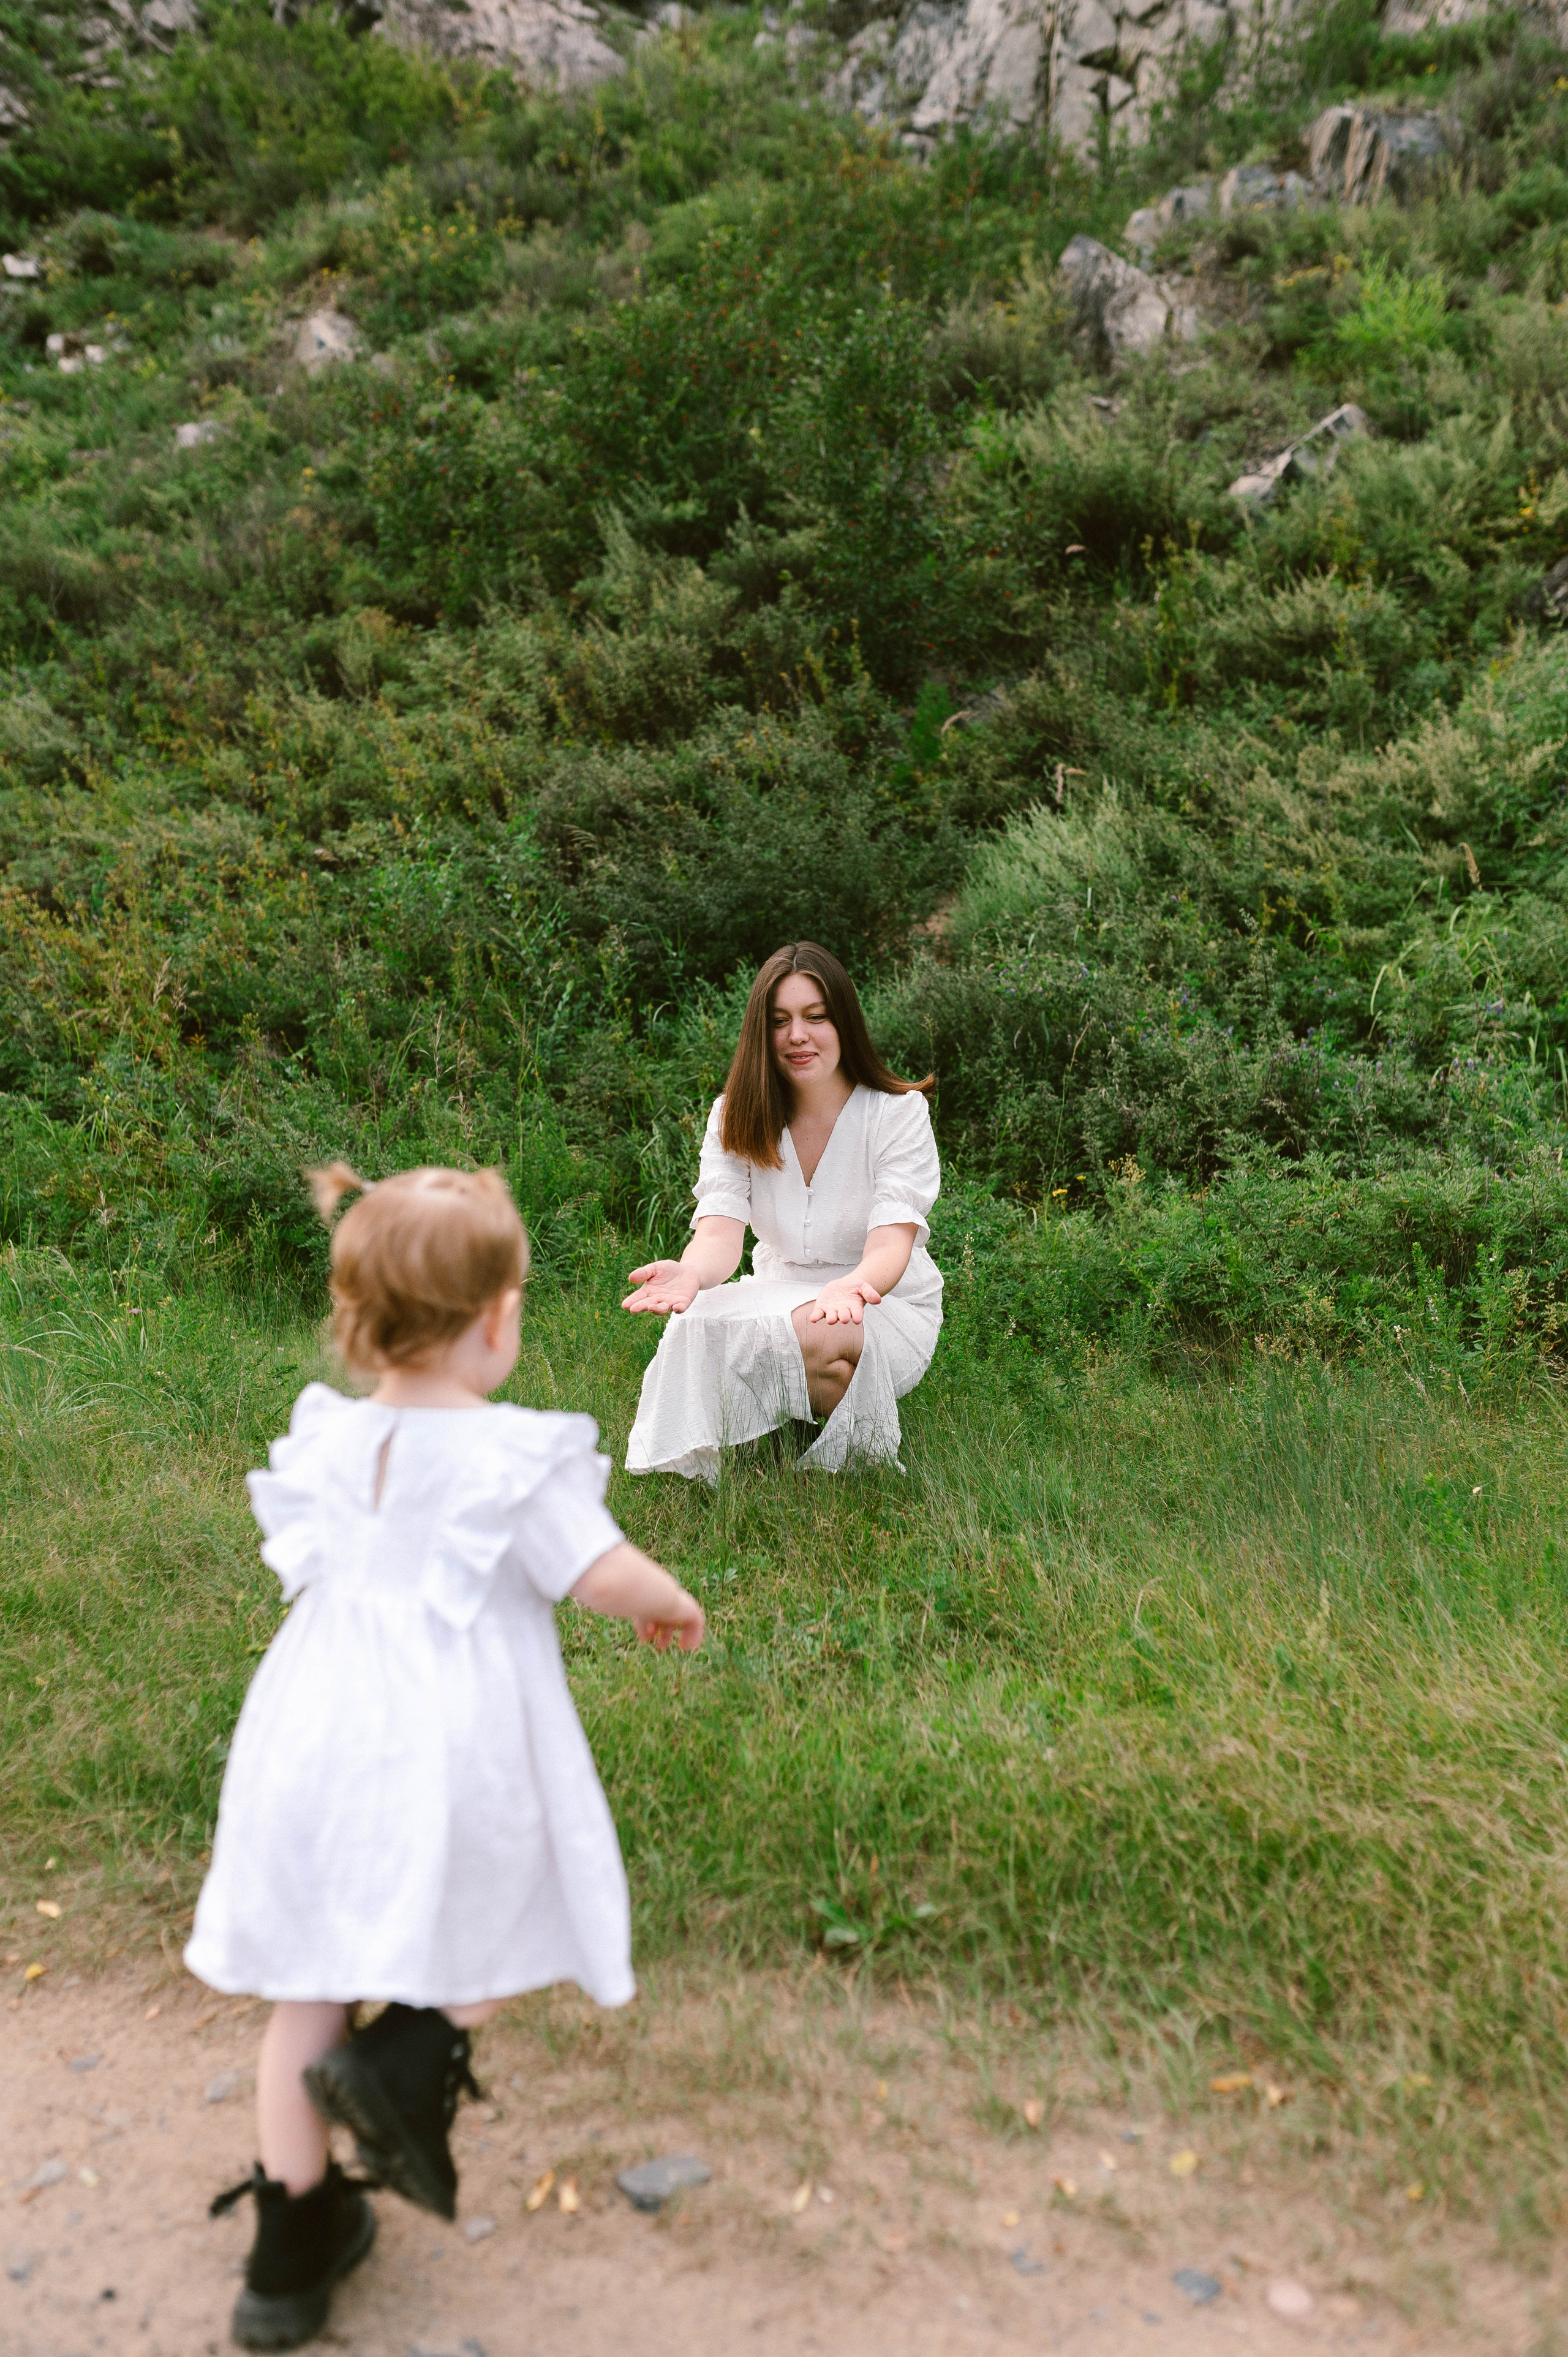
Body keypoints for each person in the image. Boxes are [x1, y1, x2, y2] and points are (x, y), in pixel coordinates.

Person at [185, 1162, 704, 2352]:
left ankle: (285, 2258)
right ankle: (406, 2051)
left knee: (301, 1999)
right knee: (491, 1907)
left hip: (314, 1739)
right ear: (496, 1317)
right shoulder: (506, 1454)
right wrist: (665, 1599)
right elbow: (598, 1566)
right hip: (442, 1745)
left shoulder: (334, 1441)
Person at [623, 941, 942, 1482]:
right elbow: (720, 1234)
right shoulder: (733, 1116)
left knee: (830, 1335)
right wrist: (692, 1274)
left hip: (884, 1302)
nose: (797, 1035)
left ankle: (805, 1415)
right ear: (760, 1033)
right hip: (776, 1294)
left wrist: (851, 1287)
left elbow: (892, 1244)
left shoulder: (897, 1114)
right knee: (693, 1324)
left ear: (844, 1022)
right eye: (780, 1021)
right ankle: (795, 1410)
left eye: (815, 1017)